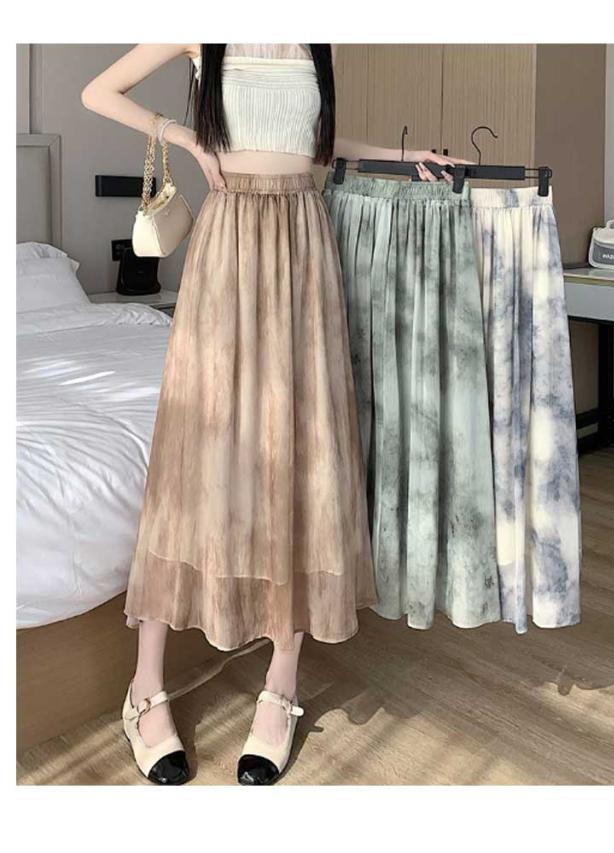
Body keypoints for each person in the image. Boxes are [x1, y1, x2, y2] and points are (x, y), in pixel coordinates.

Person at [81, 42, 468, 786]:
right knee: (197, 449)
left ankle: (281, 683)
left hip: (303, 241)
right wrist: (188, 138)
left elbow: (310, 145)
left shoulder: (317, 35)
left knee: (302, 447)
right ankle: (144, 685)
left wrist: (399, 154)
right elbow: (99, 92)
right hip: (227, 242)